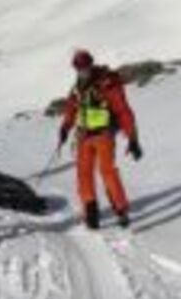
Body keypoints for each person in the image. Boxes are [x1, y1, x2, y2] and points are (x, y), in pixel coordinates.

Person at [57, 48, 142, 230]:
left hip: (104, 134)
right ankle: (91, 214)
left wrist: (132, 138)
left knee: (107, 171)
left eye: (85, 66)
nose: (82, 70)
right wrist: (65, 128)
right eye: (79, 68)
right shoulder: (77, 88)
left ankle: (121, 210)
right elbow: (71, 109)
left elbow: (123, 111)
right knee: (83, 175)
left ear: (91, 64)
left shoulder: (107, 83)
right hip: (84, 136)